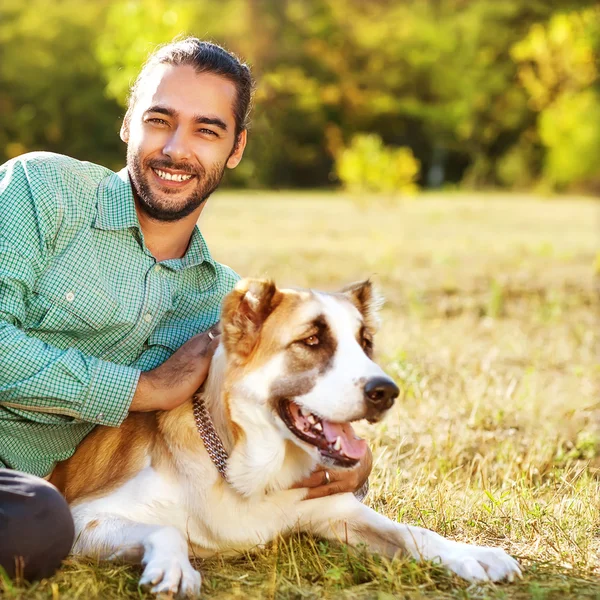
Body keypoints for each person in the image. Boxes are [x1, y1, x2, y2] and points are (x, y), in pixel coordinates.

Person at [0, 38, 372, 582]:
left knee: (39, 528)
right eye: (160, 119)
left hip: (35, 486)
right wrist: (144, 389)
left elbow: (263, 404)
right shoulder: (43, 189)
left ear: (236, 148)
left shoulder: (220, 304)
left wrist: (350, 455)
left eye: (206, 129)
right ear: (128, 124)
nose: (176, 149)